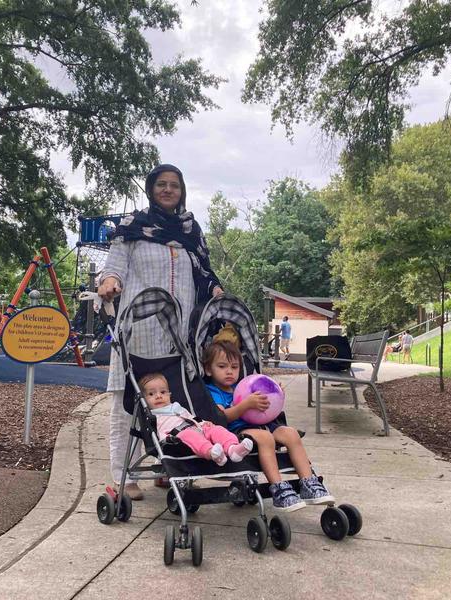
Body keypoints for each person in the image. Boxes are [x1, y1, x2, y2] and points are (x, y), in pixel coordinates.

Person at [97, 163, 223, 500]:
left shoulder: (190, 231)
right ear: (152, 189)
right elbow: (114, 268)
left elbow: (204, 273)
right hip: (138, 330)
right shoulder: (133, 228)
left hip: (178, 334)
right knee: (129, 402)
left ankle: (173, 466)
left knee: (178, 402)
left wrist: (216, 292)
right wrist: (109, 282)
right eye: (161, 184)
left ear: (182, 192)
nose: (168, 190)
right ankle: (123, 474)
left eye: (175, 185)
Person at [202, 341, 334, 512]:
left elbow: (268, 407)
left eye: (234, 367)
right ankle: (278, 487)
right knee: (265, 438)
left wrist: (275, 395)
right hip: (236, 431)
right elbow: (221, 417)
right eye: (222, 366)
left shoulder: (245, 385)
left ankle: (308, 483)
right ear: (208, 369)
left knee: (290, 433)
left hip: (264, 424)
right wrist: (246, 405)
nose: (229, 371)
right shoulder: (212, 391)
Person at [139, 373, 253, 465]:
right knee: (189, 435)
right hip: (176, 437)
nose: (158, 396)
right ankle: (212, 452)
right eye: (151, 394)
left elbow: (191, 417)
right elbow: (159, 433)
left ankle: (233, 449)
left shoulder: (177, 407)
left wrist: (203, 423)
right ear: (143, 399)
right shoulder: (152, 415)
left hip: (196, 428)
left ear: (169, 394)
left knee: (217, 429)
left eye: (163, 392)